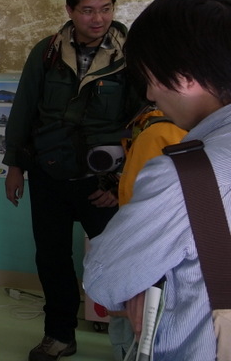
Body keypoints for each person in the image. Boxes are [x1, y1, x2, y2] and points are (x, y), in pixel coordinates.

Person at [84, 0, 231, 360]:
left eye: (151, 77)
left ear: (183, 76)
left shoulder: (187, 174)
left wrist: (144, 278)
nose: (150, 94)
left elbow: (104, 278)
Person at [3, 0, 141, 361]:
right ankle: (59, 335)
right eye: (87, 10)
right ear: (69, 10)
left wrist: (119, 182)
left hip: (103, 182)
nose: (98, 19)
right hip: (49, 174)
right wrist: (15, 166)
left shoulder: (131, 56)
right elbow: (24, 110)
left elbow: (143, 122)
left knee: (120, 260)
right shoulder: (47, 52)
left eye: (106, 9)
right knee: (52, 259)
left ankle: (129, 343)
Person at [106, 103, 187, 360]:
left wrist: (131, 282)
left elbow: (139, 214)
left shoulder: (156, 134)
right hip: (181, 274)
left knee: (136, 340)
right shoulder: (205, 130)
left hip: (150, 273)